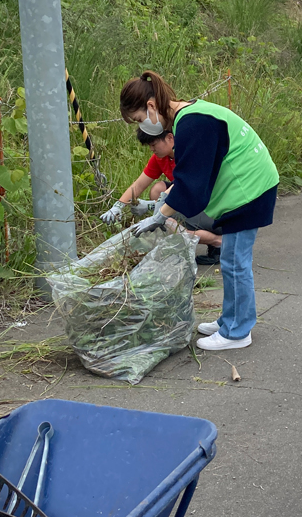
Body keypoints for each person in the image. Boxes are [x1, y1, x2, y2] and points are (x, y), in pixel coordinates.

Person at [119, 71, 279, 351]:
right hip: (245, 188)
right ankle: (230, 319)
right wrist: (160, 210)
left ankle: (238, 331)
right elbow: (187, 181)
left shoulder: (192, 123)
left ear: (152, 107)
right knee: (230, 259)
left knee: (235, 262)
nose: (142, 125)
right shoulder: (187, 116)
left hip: (251, 189)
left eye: (138, 119)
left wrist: (161, 214)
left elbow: (192, 185)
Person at [99, 128, 223, 265]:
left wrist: (150, 206)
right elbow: (139, 185)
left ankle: (218, 241)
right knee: (158, 189)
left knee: (169, 222)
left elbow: (186, 193)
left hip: (214, 209)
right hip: (191, 203)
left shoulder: (188, 155)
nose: (152, 149)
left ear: (170, 138)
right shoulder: (161, 158)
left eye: (154, 145)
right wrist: (118, 206)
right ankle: (179, 243)